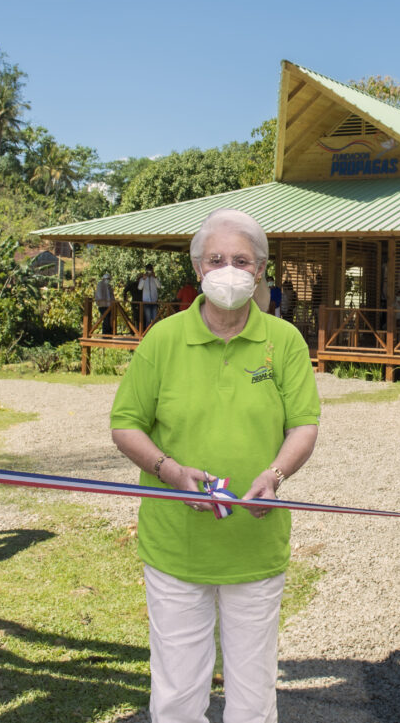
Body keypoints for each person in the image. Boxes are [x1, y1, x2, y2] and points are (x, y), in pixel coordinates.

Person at [110, 208, 320, 723]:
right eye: (217, 259)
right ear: (198, 269)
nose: (229, 269)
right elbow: (125, 424)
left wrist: (274, 475)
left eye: (242, 260)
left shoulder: (284, 341)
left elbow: (304, 426)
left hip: (254, 544)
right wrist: (168, 471)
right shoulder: (162, 339)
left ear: (260, 272)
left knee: (253, 693)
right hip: (175, 546)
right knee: (178, 691)